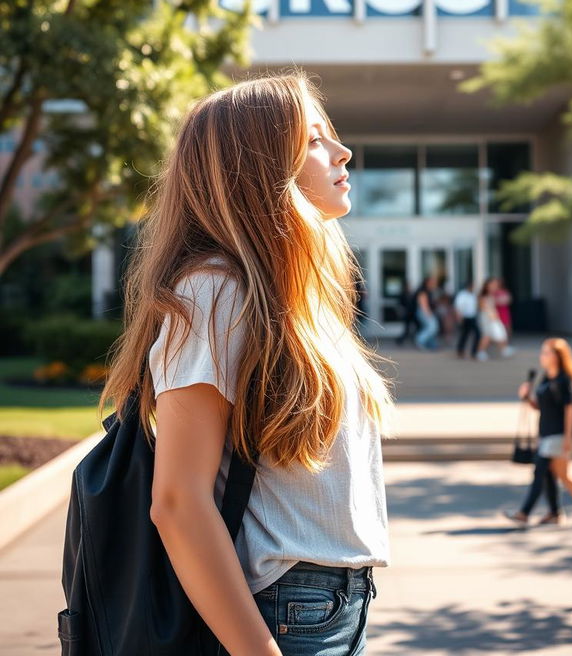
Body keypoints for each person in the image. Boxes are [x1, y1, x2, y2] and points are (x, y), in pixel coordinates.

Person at [98, 72, 394, 656]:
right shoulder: (214, 293)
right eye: (313, 140)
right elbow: (178, 501)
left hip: (334, 606)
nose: (342, 152)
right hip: (282, 614)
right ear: (258, 166)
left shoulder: (292, 297)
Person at [505, 338, 572, 528]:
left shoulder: (564, 380)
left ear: (557, 356)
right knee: (561, 475)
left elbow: (570, 410)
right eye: (543, 352)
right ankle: (569, 510)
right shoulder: (546, 378)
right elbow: (539, 407)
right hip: (545, 433)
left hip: (558, 435)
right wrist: (527, 397)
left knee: (540, 471)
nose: (543, 357)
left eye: (546, 353)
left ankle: (524, 513)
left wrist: (568, 438)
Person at [476, 278, 515, 361]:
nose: (495, 287)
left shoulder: (492, 295)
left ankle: (503, 349)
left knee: (498, 333)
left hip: (493, 317)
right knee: (487, 335)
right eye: (493, 285)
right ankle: (481, 352)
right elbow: (483, 307)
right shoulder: (483, 296)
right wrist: (491, 315)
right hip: (488, 318)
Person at [454, 281, 480, 359]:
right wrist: (459, 317)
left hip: (473, 317)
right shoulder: (462, 295)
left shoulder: (473, 295)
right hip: (465, 317)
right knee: (464, 334)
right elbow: (458, 307)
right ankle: (460, 350)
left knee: (477, 334)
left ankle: (474, 352)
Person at [414, 274, 439, 350]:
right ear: (428, 282)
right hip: (423, 311)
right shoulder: (423, 291)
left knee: (429, 327)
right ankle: (420, 341)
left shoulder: (429, 291)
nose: (435, 283)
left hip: (425, 311)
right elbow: (423, 304)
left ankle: (431, 345)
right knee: (433, 327)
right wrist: (428, 314)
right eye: (433, 282)